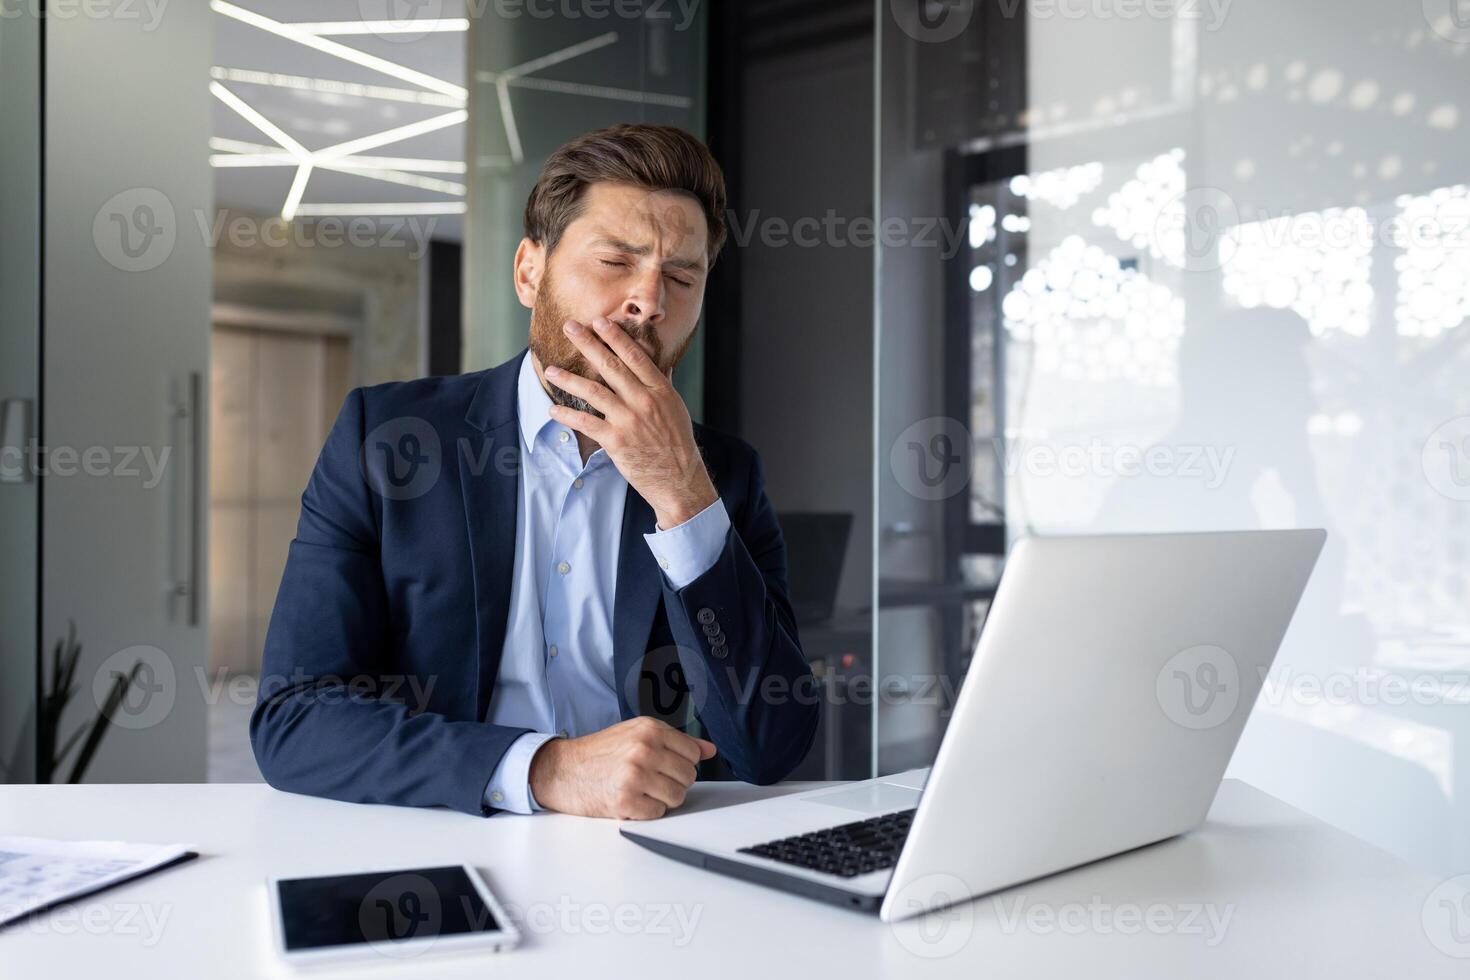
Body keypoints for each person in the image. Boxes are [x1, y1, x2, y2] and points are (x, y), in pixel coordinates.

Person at [251, 124, 818, 820]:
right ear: (529, 272)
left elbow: (772, 745)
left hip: (650, 861)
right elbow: (294, 719)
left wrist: (682, 496)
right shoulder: (386, 440)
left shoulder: (722, 476)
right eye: (616, 261)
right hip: (438, 841)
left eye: (681, 276)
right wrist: (544, 769)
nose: (651, 301)